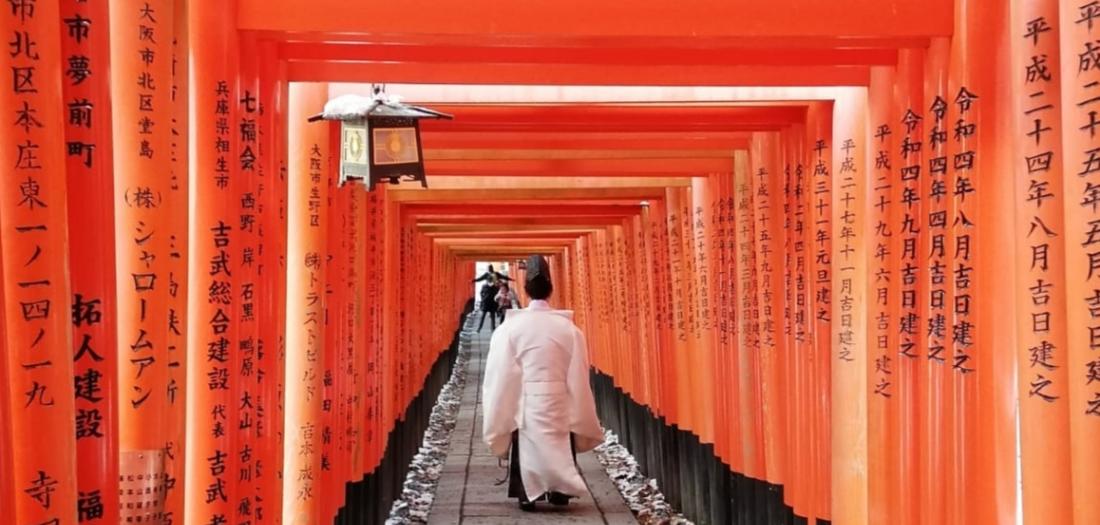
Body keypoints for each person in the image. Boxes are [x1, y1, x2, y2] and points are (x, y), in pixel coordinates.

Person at [481, 255, 604, 511]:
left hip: (526, 399)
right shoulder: (569, 329)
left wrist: (504, 404)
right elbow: (578, 373)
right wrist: (577, 401)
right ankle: (560, 491)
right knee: (561, 439)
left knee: (525, 440)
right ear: (551, 290)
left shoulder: (510, 329)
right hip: (559, 396)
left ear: (525, 290)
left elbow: (501, 374)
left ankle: (527, 492)